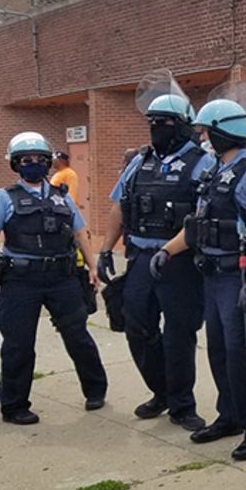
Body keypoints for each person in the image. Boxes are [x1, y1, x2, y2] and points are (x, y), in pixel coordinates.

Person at [151, 97, 246, 461]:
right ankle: (230, 415)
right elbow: (198, 226)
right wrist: (167, 250)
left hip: (237, 276)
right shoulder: (215, 172)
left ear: (224, 131)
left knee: (241, 353)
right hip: (212, 275)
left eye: (207, 133)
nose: (203, 139)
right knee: (220, 350)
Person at [98, 92, 212, 431]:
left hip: (180, 262)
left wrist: (171, 251)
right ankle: (160, 391)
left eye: (163, 123)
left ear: (181, 126)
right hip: (141, 257)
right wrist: (106, 249)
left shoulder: (202, 162)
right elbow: (120, 205)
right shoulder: (140, 162)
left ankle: (181, 404)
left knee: (179, 333)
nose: (156, 129)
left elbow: (202, 216)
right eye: (151, 123)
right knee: (136, 326)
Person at [0, 132, 108, 424]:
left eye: (39, 159)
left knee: (78, 336)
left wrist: (92, 266)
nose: (33, 164)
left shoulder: (62, 198)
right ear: (15, 164)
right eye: (26, 160)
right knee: (18, 344)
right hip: (20, 279)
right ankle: (14, 406)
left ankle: (96, 390)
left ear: (48, 162)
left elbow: (80, 233)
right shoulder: (4, 198)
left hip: (62, 278)